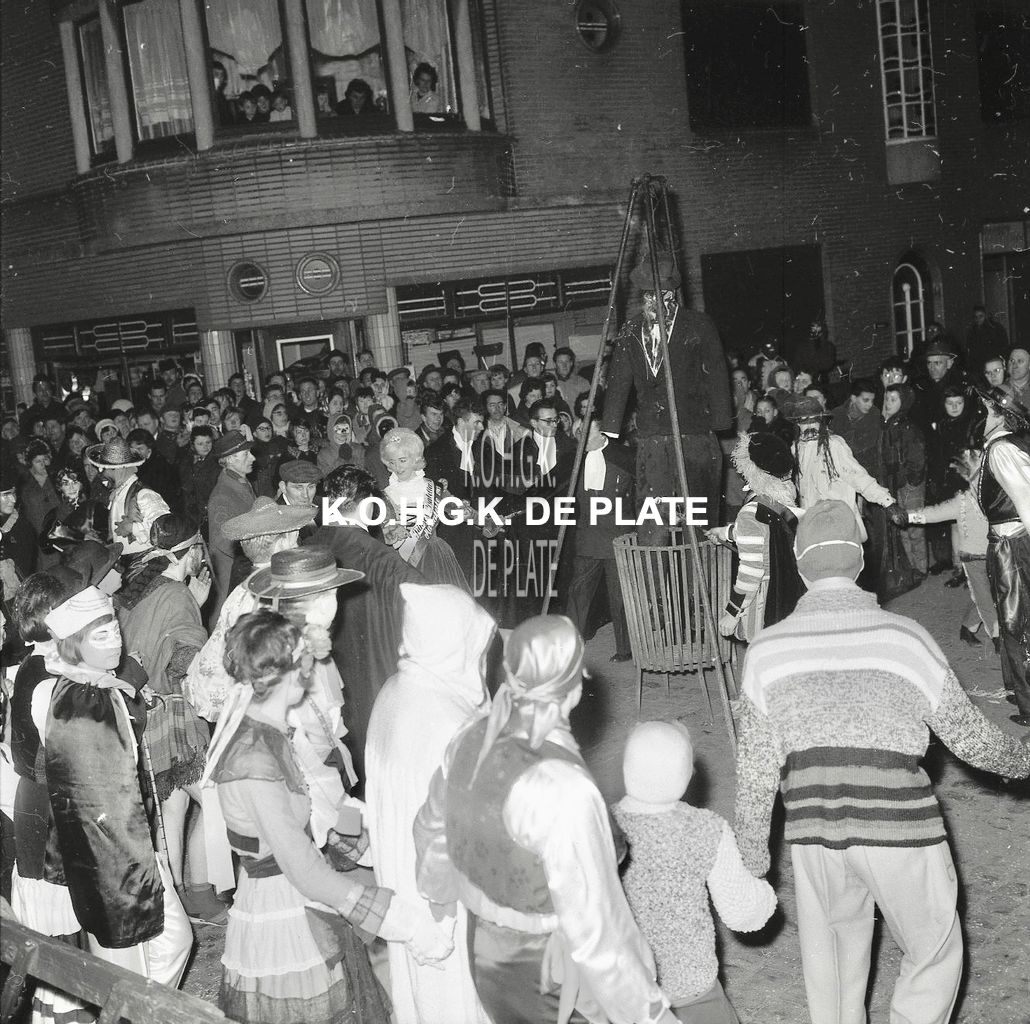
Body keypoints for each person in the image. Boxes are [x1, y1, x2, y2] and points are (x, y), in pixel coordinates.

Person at [733, 499, 1030, 1024]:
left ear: (800, 566)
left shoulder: (764, 651)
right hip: (901, 827)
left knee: (832, 961)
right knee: (932, 950)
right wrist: (1021, 759)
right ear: (860, 561)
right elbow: (972, 740)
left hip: (815, 831)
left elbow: (756, 774)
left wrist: (752, 862)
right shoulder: (906, 637)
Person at [415, 615, 675, 1024]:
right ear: (575, 688)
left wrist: (439, 899)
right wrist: (651, 1013)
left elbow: (432, 829)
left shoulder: (469, 734)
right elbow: (595, 928)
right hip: (549, 973)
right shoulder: (563, 788)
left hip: (483, 950)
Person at [202, 609, 452, 1024]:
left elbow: (309, 810)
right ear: (281, 671)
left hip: (295, 894)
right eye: (303, 655)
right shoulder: (254, 760)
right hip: (283, 909)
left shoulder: (267, 730)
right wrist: (404, 923)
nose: (311, 663)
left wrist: (357, 832)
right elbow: (304, 870)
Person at [39, 585, 193, 983]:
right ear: (75, 644)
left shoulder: (92, 688)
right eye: (101, 635)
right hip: (111, 861)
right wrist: (131, 864)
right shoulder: (81, 702)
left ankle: (151, 1008)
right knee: (125, 970)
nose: (115, 642)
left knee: (171, 942)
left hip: (128, 849)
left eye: (116, 631)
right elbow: (93, 797)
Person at [365, 584, 495, 1024]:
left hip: (404, 893)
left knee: (420, 999)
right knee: (460, 1001)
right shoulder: (449, 722)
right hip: (446, 904)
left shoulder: (394, 692)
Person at [614, 721, 776, 1023]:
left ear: (624, 768)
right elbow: (742, 913)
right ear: (688, 775)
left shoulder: (599, 823)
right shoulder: (707, 828)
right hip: (692, 994)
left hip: (620, 991)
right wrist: (763, 890)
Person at [114, 512, 224, 924]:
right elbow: (184, 657)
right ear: (192, 551)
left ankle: (176, 899)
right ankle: (202, 891)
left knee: (174, 809)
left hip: (148, 713)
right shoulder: (176, 594)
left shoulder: (140, 588)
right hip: (175, 712)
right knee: (219, 800)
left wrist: (194, 604)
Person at [306, 466, 425, 784]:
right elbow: (429, 603)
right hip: (376, 684)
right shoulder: (383, 560)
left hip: (320, 689)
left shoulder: (306, 549)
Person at [602, 250, 731, 542]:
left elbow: (717, 371)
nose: (652, 300)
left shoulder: (698, 324)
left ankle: (700, 566)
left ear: (671, 294)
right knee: (653, 515)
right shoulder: (631, 329)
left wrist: (721, 419)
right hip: (652, 435)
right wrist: (610, 424)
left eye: (658, 294)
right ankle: (655, 564)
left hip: (692, 430)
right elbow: (619, 379)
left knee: (697, 515)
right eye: (647, 295)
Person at [707, 432, 802, 644]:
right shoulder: (785, 504)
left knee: (763, 651)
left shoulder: (750, 513)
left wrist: (733, 612)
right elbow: (763, 533)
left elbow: (751, 571)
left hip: (765, 599)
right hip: (791, 591)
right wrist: (725, 533)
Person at [902, 447, 998, 648]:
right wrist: (907, 516)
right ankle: (1000, 641)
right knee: (986, 600)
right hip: (973, 558)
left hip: (995, 553)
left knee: (990, 595)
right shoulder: (961, 502)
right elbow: (933, 513)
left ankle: (968, 627)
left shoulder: (995, 495)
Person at [975, 386, 1030, 725]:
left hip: (1011, 546)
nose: (981, 416)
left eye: (985, 410)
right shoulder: (1002, 446)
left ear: (999, 415)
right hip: (1007, 543)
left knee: (1015, 622)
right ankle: (1018, 689)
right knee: (1014, 618)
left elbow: (1026, 499)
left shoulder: (1001, 450)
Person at [564, 419, 635, 662]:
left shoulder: (624, 456)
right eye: (576, 432)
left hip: (618, 536)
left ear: (603, 431)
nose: (579, 435)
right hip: (588, 536)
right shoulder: (575, 459)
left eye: (585, 431)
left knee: (621, 595)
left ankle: (625, 648)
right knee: (578, 592)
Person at [382, 428, 470, 590]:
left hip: (434, 557)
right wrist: (392, 532)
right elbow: (384, 530)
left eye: (402, 460)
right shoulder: (386, 494)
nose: (397, 467)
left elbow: (456, 511)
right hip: (403, 557)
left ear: (416, 459)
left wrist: (472, 514)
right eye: (392, 462)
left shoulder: (433, 487)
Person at [878, 383, 927, 577]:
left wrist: (911, 482)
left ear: (903, 402)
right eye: (886, 399)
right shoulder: (887, 424)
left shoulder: (907, 427)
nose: (888, 403)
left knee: (914, 526)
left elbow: (917, 458)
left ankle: (920, 567)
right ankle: (909, 566)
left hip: (909, 485)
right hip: (894, 483)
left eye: (893, 400)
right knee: (902, 527)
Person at [207, 430, 257, 621]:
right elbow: (225, 541)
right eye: (245, 454)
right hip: (232, 574)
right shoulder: (222, 495)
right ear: (229, 459)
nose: (252, 458)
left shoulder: (240, 483)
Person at [829, 378, 881, 478]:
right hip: (840, 471)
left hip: (866, 472)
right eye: (866, 400)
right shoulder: (836, 414)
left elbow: (868, 446)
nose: (870, 404)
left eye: (872, 400)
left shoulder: (875, 415)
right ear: (853, 398)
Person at [964, 304, 1010, 374]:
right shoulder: (972, 331)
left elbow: (1003, 346)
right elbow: (970, 350)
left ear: (985, 316)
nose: (978, 319)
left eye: (981, 316)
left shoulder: (996, 328)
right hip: (978, 366)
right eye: (976, 317)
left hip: (993, 363)